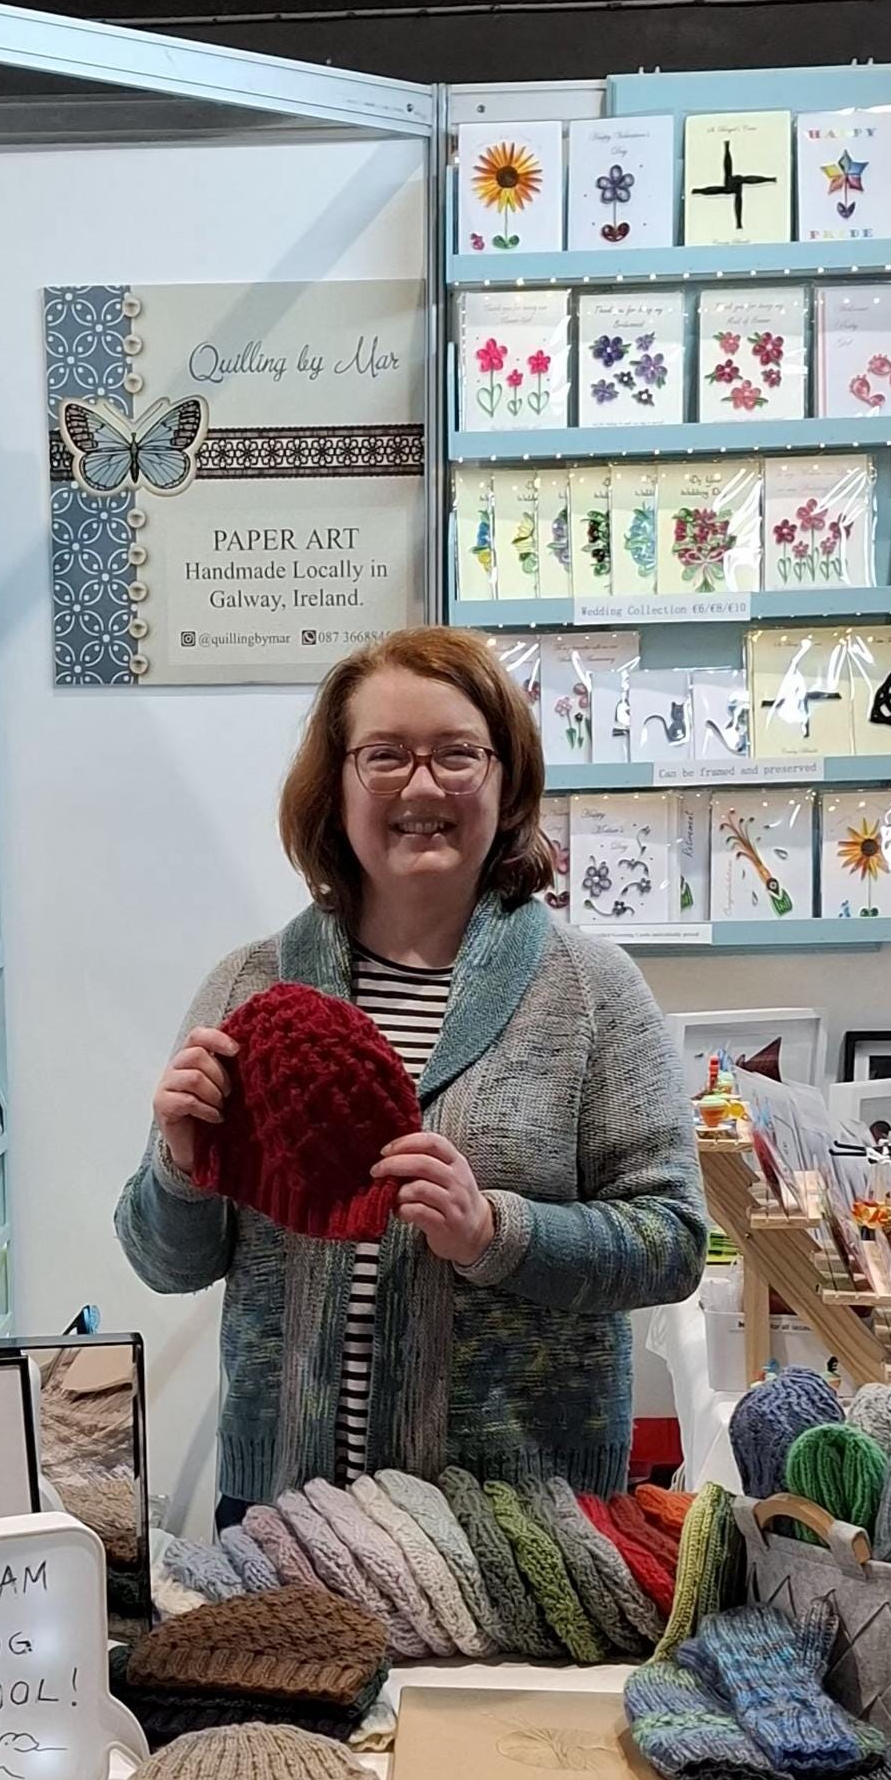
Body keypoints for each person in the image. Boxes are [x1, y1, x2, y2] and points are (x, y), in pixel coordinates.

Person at [114, 626, 707, 1515]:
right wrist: (182, 1164)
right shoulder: (250, 989)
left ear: (507, 780)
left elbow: (672, 1242)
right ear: (336, 784)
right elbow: (164, 1262)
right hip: (288, 1517)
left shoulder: (591, 991)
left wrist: (494, 1232)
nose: (422, 786)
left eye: (457, 755)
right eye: (385, 756)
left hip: (515, 1521)